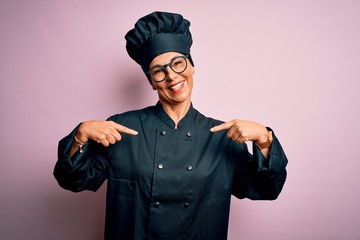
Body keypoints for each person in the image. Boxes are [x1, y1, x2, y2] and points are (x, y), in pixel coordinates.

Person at [54, 11, 288, 240]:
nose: (172, 76)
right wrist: (80, 136)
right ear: (152, 82)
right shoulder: (121, 128)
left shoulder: (222, 137)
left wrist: (264, 139)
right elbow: (73, 180)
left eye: (178, 63)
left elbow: (266, 189)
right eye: (158, 71)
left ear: (192, 66)